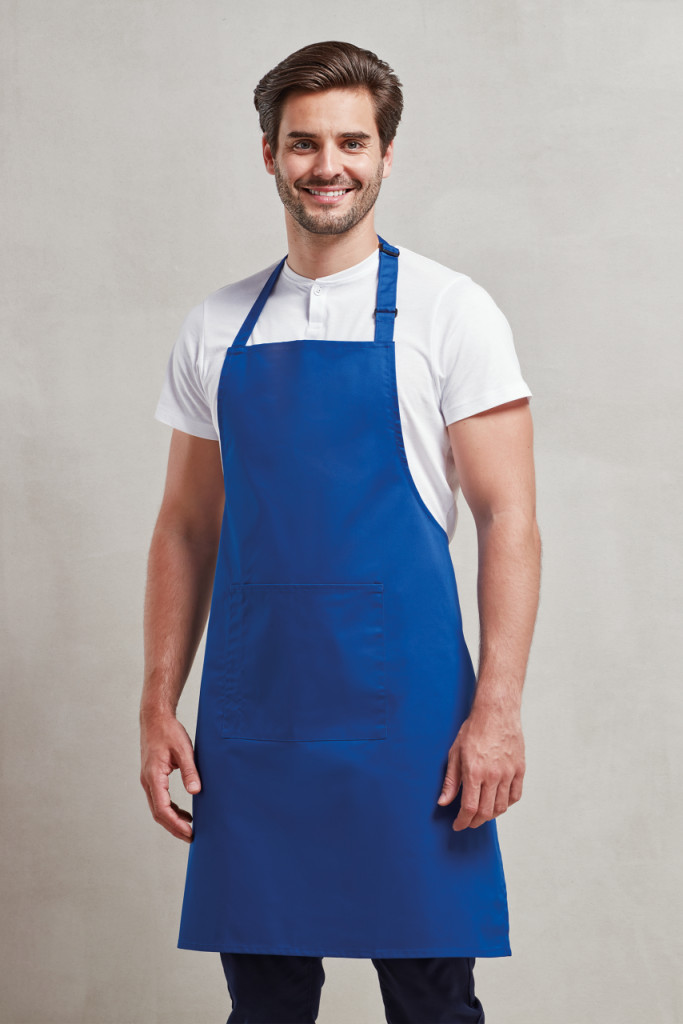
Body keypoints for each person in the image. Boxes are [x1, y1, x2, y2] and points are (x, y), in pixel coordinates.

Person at [139, 39, 541, 1024]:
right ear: (268, 154)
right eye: (304, 142)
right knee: (265, 1003)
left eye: (352, 142)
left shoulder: (449, 312)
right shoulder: (216, 325)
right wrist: (156, 701)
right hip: (256, 717)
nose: (328, 165)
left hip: (410, 719)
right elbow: (185, 527)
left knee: (432, 999)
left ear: (385, 154)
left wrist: (495, 711)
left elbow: (509, 519)